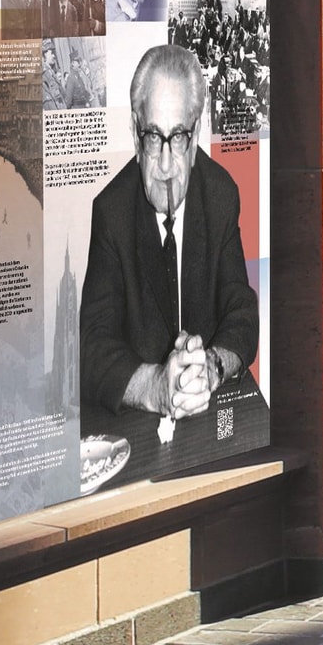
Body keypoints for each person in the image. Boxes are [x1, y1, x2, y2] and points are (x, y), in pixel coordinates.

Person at [79, 44, 258, 419]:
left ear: (195, 136)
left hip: (207, 410)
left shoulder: (221, 194)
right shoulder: (111, 212)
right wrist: (153, 386)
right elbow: (91, 346)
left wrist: (212, 367)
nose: (164, 165)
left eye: (177, 137)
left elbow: (242, 312)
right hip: (139, 421)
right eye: (152, 136)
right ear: (135, 134)